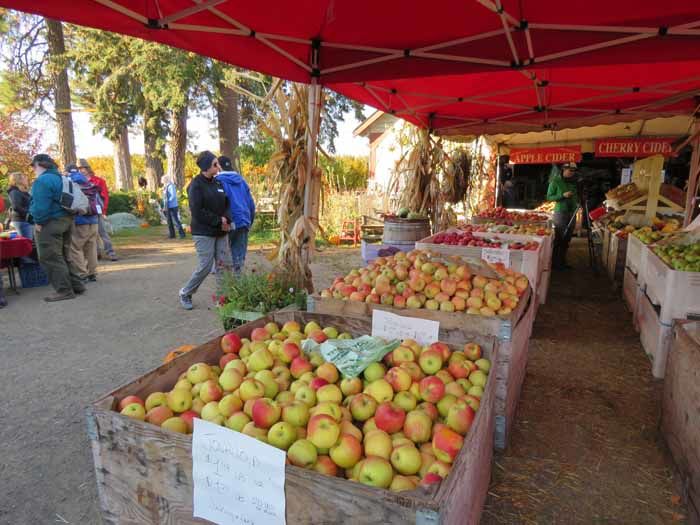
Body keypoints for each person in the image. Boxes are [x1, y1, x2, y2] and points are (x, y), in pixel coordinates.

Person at [179, 151, 233, 310]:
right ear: (206, 167)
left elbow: (226, 204)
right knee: (206, 266)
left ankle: (223, 300)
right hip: (203, 233)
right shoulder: (195, 186)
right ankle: (186, 292)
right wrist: (218, 220)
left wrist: (227, 219)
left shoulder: (218, 183)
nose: (218, 167)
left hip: (221, 232)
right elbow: (197, 211)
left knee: (224, 265)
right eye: (215, 164)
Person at [28, 154, 85, 301]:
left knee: (50, 257)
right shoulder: (61, 177)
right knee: (64, 256)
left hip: (50, 222)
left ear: (40, 164)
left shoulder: (42, 181)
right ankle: (77, 286)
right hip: (66, 220)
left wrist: (38, 221)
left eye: (33, 166)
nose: (33, 169)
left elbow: (40, 206)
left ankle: (64, 291)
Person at [216, 156, 256, 274]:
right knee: (239, 258)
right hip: (243, 220)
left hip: (226, 222)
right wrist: (249, 221)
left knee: (223, 257)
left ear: (219, 167)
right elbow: (251, 204)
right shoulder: (242, 181)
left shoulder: (217, 181)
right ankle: (238, 281)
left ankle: (226, 282)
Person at [79, 159, 118, 261]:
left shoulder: (99, 181)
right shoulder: (77, 182)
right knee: (90, 234)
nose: (81, 170)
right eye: (79, 169)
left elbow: (105, 197)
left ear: (87, 168)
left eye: (82, 168)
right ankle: (95, 253)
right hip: (84, 211)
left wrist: (104, 211)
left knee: (102, 232)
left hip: (97, 210)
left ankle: (110, 252)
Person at [66, 164, 100, 282]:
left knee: (75, 247)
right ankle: (93, 272)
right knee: (91, 246)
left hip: (80, 220)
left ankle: (82, 274)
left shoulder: (69, 182)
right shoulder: (88, 182)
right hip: (94, 219)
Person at [547, 162, 579, 270]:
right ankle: (554, 263)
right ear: (563, 170)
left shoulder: (574, 183)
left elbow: (576, 196)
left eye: (573, 171)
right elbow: (549, 197)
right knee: (559, 238)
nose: (572, 173)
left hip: (572, 213)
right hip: (560, 213)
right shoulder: (555, 182)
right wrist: (562, 195)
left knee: (567, 239)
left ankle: (562, 262)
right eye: (570, 170)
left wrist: (577, 203)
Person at [7, 172, 34, 241]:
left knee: (28, 243)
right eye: (24, 177)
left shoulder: (22, 191)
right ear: (18, 180)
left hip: (26, 221)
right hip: (21, 221)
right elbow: (16, 206)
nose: (26, 179)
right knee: (26, 243)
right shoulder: (14, 191)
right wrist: (28, 214)